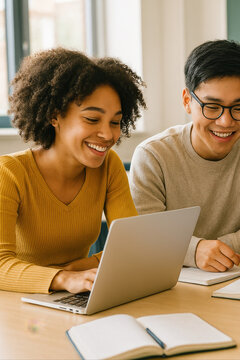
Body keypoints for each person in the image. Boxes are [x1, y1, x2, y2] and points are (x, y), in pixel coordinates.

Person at [129, 40, 240, 272]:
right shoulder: (152, 155)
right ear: (187, 101)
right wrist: (195, 251)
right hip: (171, 280)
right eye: (212, 107)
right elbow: (145, 235)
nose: (226, 121)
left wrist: (208, 249)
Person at [0, 48, 146, 293]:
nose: (108, 135)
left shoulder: (109, 166)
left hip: (74, 295)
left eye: (115, 122)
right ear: (54, 116)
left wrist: (75, 272)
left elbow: (131, 247)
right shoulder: (10, 174)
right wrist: (64, 278)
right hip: (16, 305)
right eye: (92, 119)